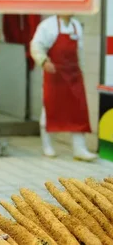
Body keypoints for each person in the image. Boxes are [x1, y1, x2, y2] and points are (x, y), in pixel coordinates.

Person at [30, 14, 97, 161]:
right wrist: (43, 61)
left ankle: (80, 149)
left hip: (74, 74)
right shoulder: (48, 26)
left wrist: (82, 71)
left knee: (78, 110)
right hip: (54, 74)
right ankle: (47, 146)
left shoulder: (76, 25)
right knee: (50, 108)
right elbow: (36, 45)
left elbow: (79, 52)